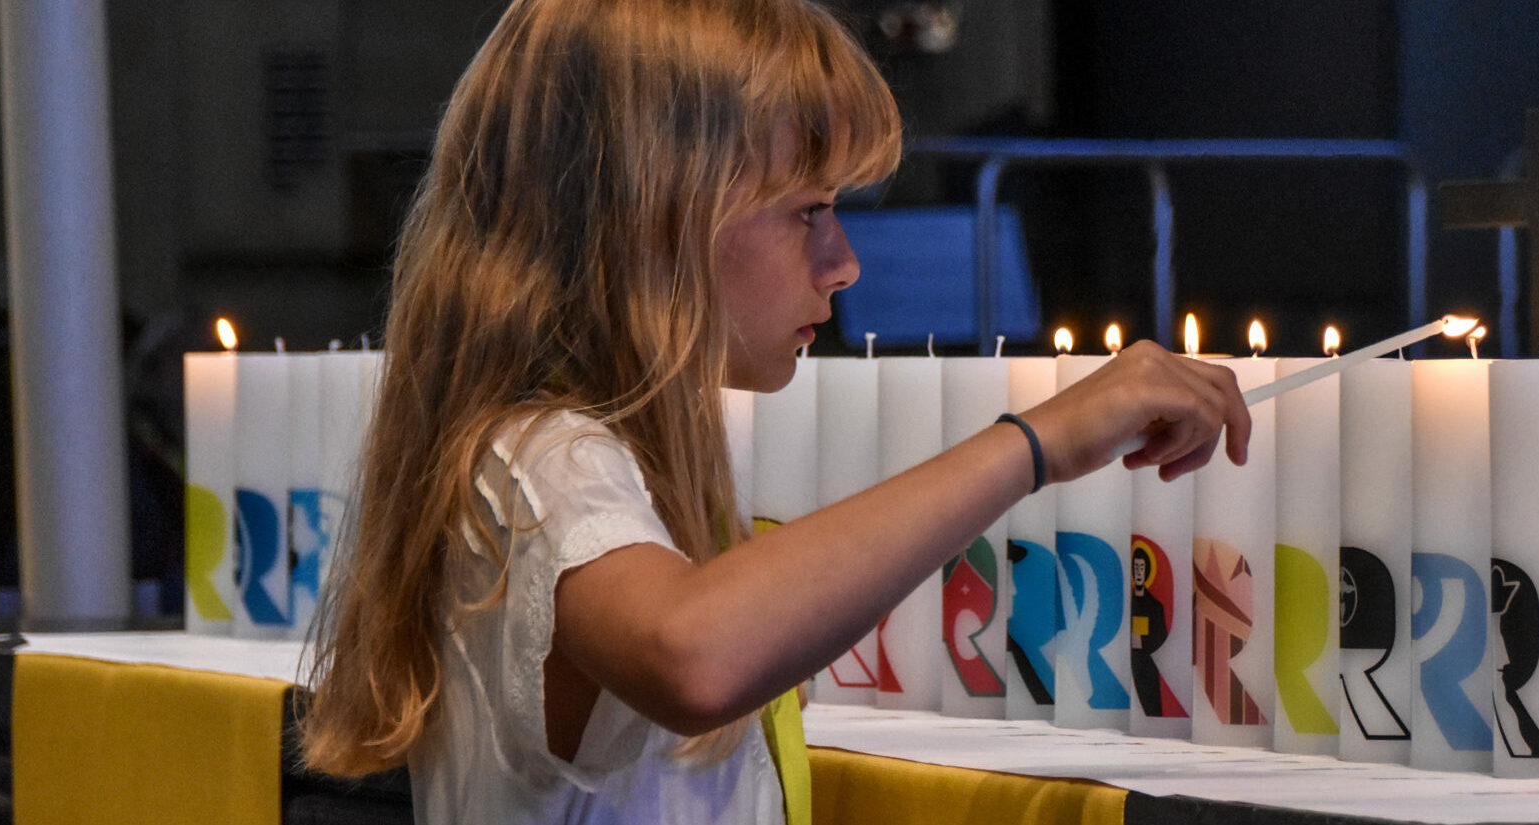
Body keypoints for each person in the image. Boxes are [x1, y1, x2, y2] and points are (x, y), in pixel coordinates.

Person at [298, 0, 1251, 822]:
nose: (844, 264)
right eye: (807, 210)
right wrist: (1033, 444)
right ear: (649, 216)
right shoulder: (534, 458)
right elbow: (693, 653)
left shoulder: (626, 455)